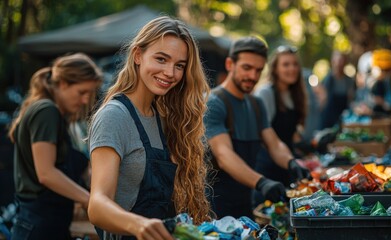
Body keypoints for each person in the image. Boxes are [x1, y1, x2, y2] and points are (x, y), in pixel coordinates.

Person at [87, 16, 212, 240]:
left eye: (179, 65)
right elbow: (97, 205)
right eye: (161, 59)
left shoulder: (163, 118)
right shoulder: (114, 116)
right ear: (137, 55)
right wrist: (138, 225)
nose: (170, 73)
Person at [204, 36, 310, 219]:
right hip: (216, 208)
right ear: (230, 64)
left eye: (258, 70)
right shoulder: (214, 103)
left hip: (246, 203)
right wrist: (262, 182)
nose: (253, 76)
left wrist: (291, 162)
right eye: (247, 68)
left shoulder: (256, 104)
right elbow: (224, 156)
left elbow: (274, 144)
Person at [8, 53, 102, 239]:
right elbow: (46, 174)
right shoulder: (47, 111)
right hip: (39, 224)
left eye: (89, 94)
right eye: (82, 92)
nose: (85, 100)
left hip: (46, 222)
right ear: (63, 84)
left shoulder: (52, 114)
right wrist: (90, 200)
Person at [251, 45, 308, 206]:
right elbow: (264, 134)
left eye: (295, 64)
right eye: (286, 64)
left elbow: (293, 133)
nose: (292, 69)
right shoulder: (266, 93)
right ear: (275, 69)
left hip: (287, 165)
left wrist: (309, 145)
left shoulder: (294, 94)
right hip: (267, 168)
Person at [319, 50, 355, 130]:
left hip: (343, 119)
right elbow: (322, 100)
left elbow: (351, 99)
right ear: (332, 61)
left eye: (341, 61)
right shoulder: (328, 80)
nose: (339, 64)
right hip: (328, 119)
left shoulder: (349, 81)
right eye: (337, 61)